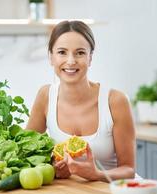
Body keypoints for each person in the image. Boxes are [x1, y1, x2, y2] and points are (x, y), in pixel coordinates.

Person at [26, 20, 136, 182]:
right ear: (51, 57)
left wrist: (97, 174)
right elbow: (27, 153)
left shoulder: (116, 101)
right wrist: (54, 167)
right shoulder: (45, 96)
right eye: (62, 52)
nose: (71, 61)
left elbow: (129, 170)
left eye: (80, 53)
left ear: (90, 57)